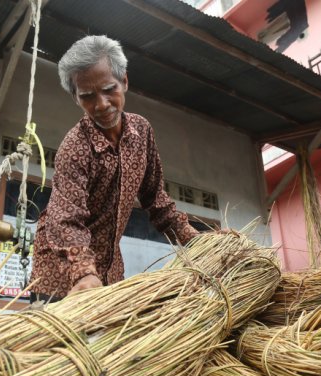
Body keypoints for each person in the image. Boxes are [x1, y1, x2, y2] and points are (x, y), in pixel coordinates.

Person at [30, 35, 199, 301]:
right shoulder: (74, 148)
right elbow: (65, 219)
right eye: (87, 96)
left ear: (125, 82)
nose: (102, 104)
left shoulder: (141, 132)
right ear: (76, 98)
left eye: (109, 89)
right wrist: (84, 271)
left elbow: (155, 198)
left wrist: (192, 238)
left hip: (109, 268)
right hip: (63, 271)